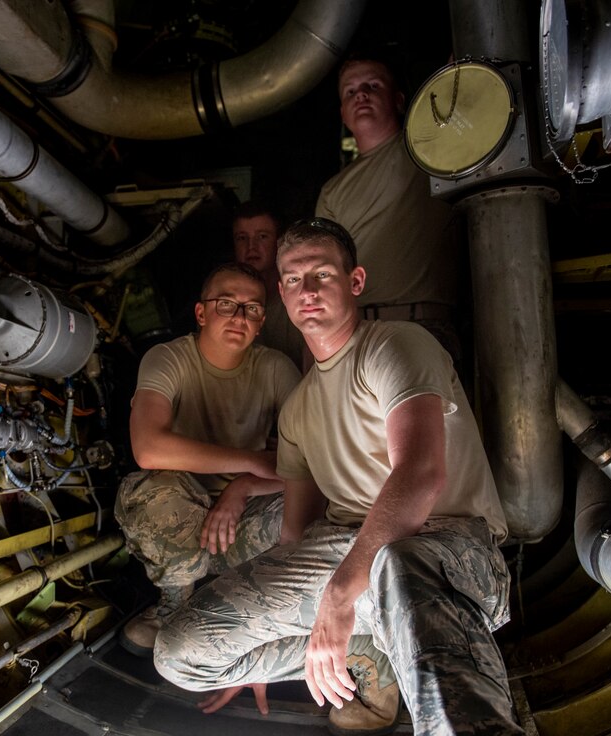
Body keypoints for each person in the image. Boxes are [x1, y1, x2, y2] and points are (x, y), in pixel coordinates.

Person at [155, 219, 522, 735]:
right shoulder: (299, 408)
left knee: (397, 562)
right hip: (342, 557)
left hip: (443, 546)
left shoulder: (394, 345)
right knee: (179, 655)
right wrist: (264, 638)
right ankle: (373, 649)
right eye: (292, 279)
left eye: (322, 275)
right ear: (281, 292)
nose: (306, 290)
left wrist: (338, 596)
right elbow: (296, 539)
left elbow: (419, 473)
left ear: (355, 282)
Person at [115, 261, 302, 656]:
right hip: (184, 516)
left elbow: (312, 463)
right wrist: (250, 460)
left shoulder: (274, 368)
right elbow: (148, 448)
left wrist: (244, 486)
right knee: (153, 495)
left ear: (261, 320)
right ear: (201, 313)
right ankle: (175, 602)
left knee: (312, 510)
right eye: (226, 304)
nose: (239, 316)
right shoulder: (168, 359)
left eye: (251, 309)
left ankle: (246, 611)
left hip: (243, 518)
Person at [315, 56, 462, 362]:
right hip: (356, 332)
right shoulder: (333, 190)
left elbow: (458, 89)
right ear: (343, 114)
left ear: (397, 100)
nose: (362, 95)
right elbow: (322, 270)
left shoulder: (428, 152)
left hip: (424, 326)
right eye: (350, 91)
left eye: (372, 85)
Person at [232, 201, 310, 370]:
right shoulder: (222, 302)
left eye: (262, 236)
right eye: (242, 238)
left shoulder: (301, 299)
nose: (251, 247)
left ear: (278, 241)